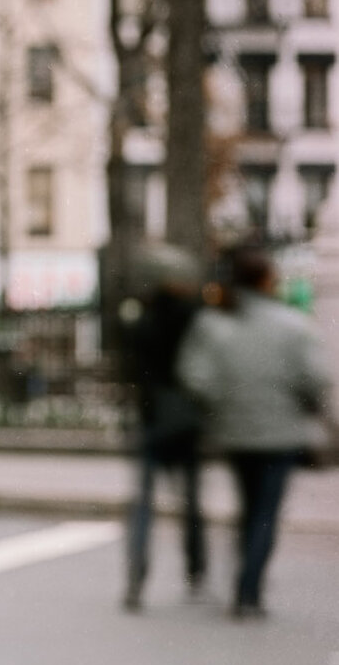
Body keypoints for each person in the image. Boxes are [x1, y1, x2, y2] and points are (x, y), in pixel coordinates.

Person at [178, 243, 333, 619]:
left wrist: (225, 401)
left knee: (248, 507)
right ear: (266, 279)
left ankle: (244, 578)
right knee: (265, 511)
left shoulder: (214, 324)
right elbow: (315, 379)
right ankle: (249, 588)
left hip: (234, 431)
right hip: (280, 434)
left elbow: (193, 375)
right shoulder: (292, 324)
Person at [117, 244, 208, 609]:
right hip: (185, 417)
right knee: (189, 501)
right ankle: (195, 567)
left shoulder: (140, 318)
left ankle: (137, 576)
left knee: (143, 504)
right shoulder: (194, 317)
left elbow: (130, 365)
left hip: (151, 415)